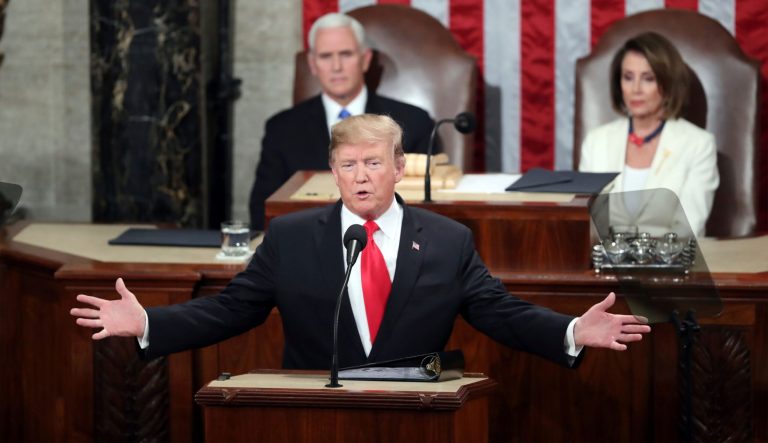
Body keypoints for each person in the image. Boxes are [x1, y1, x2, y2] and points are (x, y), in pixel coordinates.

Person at [72, 114, 650, 371]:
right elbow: (230, 311)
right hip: (315, 417)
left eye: (374, 162)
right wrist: (150, 323)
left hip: (419, 415)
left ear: (400, 167)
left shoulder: (447, 241)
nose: (362, 176)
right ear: (333, 170)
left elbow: (500, 313)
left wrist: (571, 330)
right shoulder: (293, 237)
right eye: (348, 165)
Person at [248, 12, 435, 231]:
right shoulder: (281, 129)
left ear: (365, 60)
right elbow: (263, 210)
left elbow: (426, 209)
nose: (336, 66)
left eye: (346, 54)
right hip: (309, 248)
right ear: (312, 64)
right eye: (326, 56)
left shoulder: (413, 122)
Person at [579, 32, 719, 238]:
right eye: (628, 77)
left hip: (669, 265)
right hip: (605, 264)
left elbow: (689, 227)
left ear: (668, 83)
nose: (636, 89)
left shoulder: (698, 144)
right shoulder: (597, 141)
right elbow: (587, 221)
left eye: (648, 79)